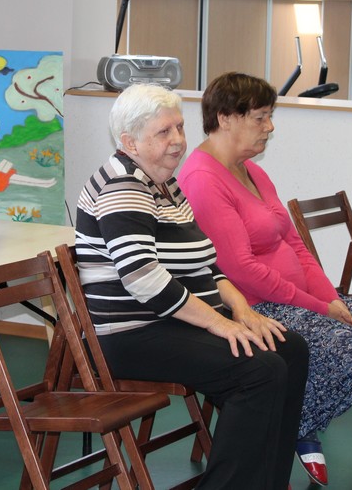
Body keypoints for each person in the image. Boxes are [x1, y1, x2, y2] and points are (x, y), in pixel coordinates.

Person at [75, 83, 308, 490]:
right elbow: (144, 279)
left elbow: (206, 264)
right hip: (133, 334)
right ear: (130, 142)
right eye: (164, 132)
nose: (178, 140)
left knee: (289, 349)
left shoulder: (164, 183)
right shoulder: (123, 187)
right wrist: (219, 323)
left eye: (180, 128)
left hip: (170, 322)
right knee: (258, 371)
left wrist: (241, 310)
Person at [178, 72, 352, 488]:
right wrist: (319, 307)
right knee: (345, 341)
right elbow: (239, 269)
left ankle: (294, 422)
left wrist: (330, 298)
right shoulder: (203, 179)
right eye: (260, 117)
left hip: (293, 299)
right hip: (251, 306)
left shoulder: (251, 171)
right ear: (226, 118)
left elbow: (295, 244)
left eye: (270, 116)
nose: (270, 127)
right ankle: (293, 428)